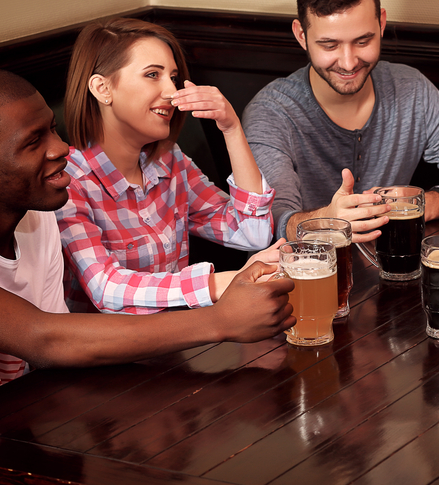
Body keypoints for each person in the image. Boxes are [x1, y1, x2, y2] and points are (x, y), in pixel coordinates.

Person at [0, 67, 295, 485]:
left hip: (13, 446)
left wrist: (210, 405)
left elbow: (51, 366)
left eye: (51, 128)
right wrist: (220, 319)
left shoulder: (37, 222)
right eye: (34, 142)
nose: (61, 148)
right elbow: (44, 338)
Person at [242, 0, 439, 241]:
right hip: (298, 275)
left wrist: (427, 203)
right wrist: (327, 220)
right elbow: (269, 223)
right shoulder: (272, 112)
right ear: (301, 36)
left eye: (362, 41)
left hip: (386, 266)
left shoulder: (410, 88)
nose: (348, 62)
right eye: (329, 45)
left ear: (381, 23)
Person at [55, 18, 279, 314]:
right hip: (101, 353)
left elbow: (253, 233)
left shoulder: (170, 162)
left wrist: (232, 128)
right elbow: (106, 288)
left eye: (173, 77)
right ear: (102, 88)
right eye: (152, 75)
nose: (171, 93)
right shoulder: (68, 181)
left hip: (177, 341)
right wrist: (225, 283)